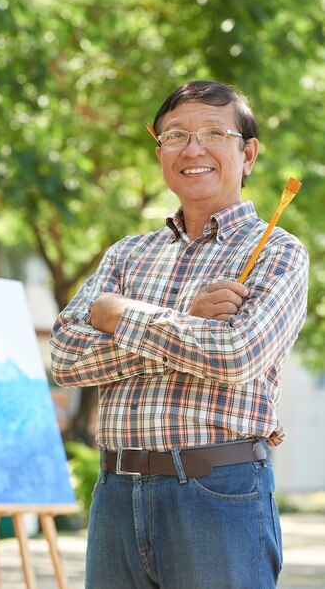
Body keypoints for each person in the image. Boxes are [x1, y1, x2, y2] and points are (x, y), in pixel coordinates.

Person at [49, 80, 309, 589]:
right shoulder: (127, 253)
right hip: (115, 495)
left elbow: (236, 354)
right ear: (160, 151)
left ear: (248, 152)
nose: (193, 149)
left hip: (219, 492)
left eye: (214, 132)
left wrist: (120, 314)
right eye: (175, 136)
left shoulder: (280, 251)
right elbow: (64, 356)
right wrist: (184, 320)